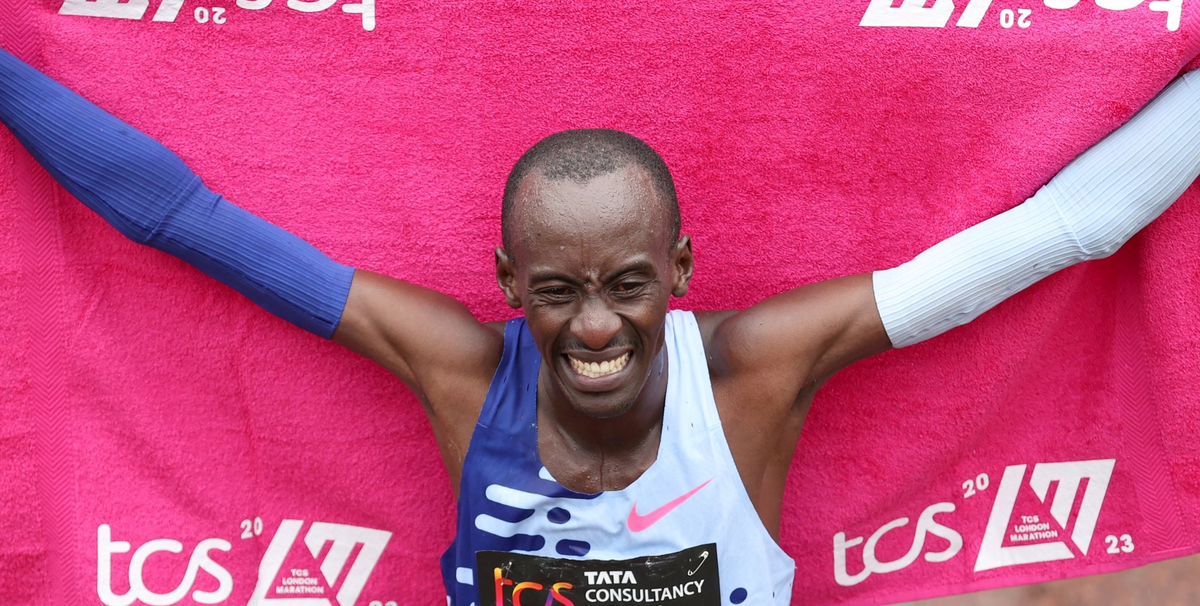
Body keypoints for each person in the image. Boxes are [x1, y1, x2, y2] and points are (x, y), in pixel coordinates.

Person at [2, 45, 1198, 606]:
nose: (592, 328)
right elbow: (186, 220)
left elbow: (1064, 230)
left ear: (680, 268)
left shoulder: (754, 372)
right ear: (506, 281)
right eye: (556, 292)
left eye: (626, 283)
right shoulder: (459, 370)